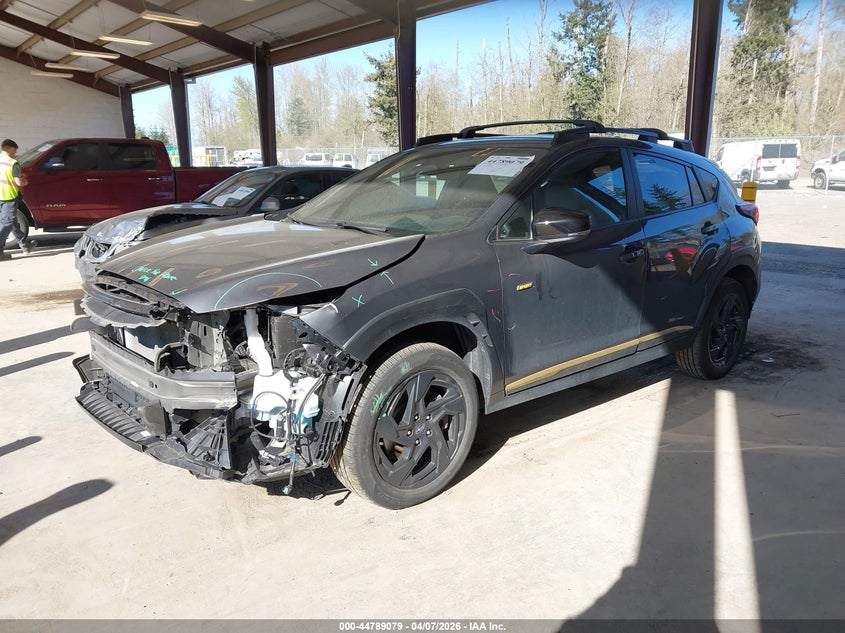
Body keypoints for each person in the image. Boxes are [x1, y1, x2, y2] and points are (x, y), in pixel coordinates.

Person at [0, 138, 37, 260]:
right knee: (8, 222)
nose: (15, 153)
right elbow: (19, 182)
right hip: (8, 196)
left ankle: (25, 246)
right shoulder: (12, 163)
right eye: (15, 150)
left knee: (13, 222)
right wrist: (25, 182)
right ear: (10, 148)